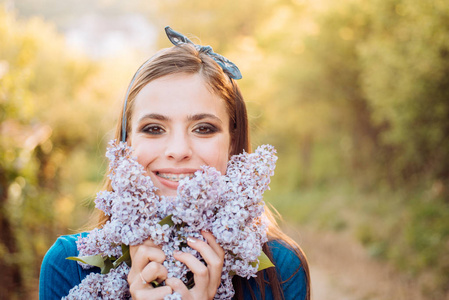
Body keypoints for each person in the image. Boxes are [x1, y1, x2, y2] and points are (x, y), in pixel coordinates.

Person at [39, 27, 310, 300]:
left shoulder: (282, 271)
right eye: (154, 128)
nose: (178, 150)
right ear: (126, 143)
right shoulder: (69, 266)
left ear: (232, 142)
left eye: (203, 128)